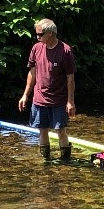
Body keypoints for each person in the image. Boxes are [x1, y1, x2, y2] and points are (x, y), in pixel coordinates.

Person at [18, 18, 76, 161]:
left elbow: (70, 78)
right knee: (42, 131)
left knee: (60, 131)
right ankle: (46, 161)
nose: (37, 37)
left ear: (50, 33)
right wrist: (25, 95)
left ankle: (65, 161)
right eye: (36, 34)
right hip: (39, 99)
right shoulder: (36, 48)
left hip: (58, 100)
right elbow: (32, 73)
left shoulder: (65, 51)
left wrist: (70, 102)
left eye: (40, 34)